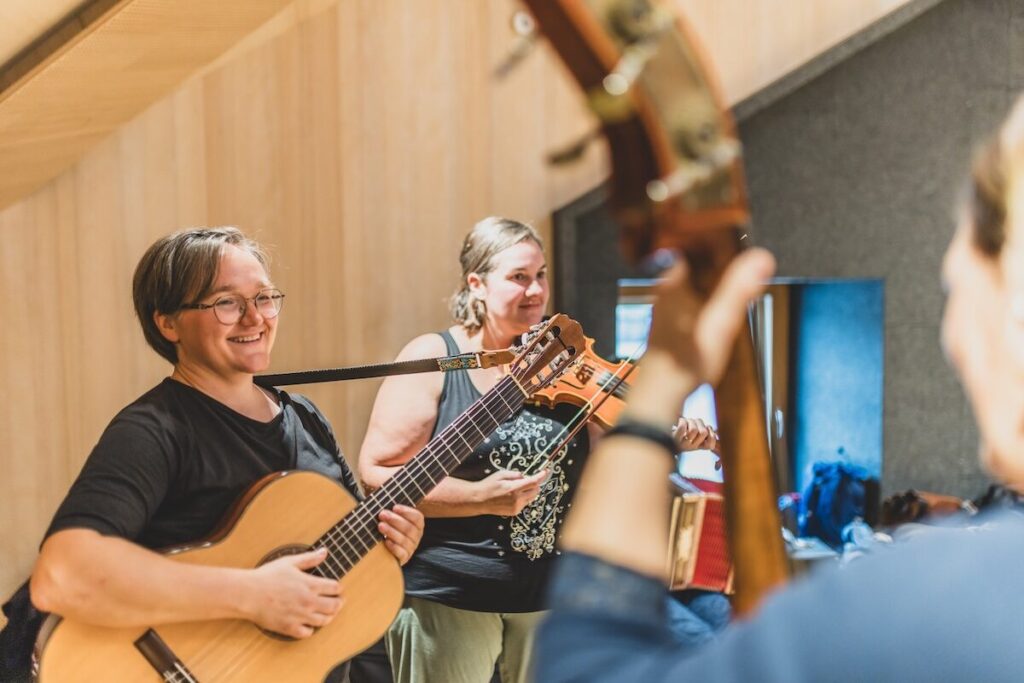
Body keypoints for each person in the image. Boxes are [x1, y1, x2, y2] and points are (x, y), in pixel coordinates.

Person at [535, 97, 1024, 682]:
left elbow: (586, 668)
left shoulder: (940, 605)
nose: (953, 340)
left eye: (955, 289)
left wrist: (658, 386)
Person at [2, 227, 423, 682]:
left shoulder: (304, 416)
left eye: (263, 298)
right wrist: (251, 593)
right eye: (226, 303)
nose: (254, 318)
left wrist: (389, 544)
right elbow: (63, 573)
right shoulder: (152, 430)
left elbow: (322, 554)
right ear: (167, 322)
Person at [358, 216, 718, 683]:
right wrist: (479, 497)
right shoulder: (435, 357)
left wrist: (664, 439)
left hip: (546, 600)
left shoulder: (568, 361)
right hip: (451, 597)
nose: (535, 290)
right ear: (477, 284)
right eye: (518, 277)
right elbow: (378, 473)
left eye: (541, 274)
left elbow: (604, 484)